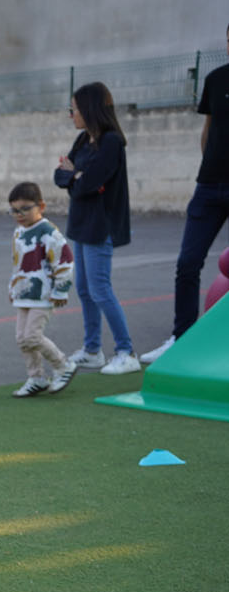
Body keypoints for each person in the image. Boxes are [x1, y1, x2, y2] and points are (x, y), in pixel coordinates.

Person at [142, 23, 229, 364]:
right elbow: (208, 130)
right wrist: (210, 165)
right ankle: (182, 338)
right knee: (187, 264)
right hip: (208, 186)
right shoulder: (216, 79)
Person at [54, 82, 137, 375]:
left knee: (100, 289)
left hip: (100, 225)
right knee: (84, 289)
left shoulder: (111, 142)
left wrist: (77, 176)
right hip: (81, 223)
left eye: (73, 109)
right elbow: (60, 176)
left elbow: (90, 183)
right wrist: (77, 177)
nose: (71, 115)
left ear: (89, 109)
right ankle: (92, 350)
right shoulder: (82, 140)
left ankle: (126, 351)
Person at [5, 181, 78, 397]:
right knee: (22, 338)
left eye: (25, 209)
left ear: (41, 206)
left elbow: (65, 261)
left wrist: (61, 289)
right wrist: (13, 287)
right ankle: (36, 377)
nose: (19, 215)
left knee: (32, 337)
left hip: (44, 294)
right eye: (14, 210)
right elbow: (18, 263)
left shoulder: (48, 232)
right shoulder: (19, 232)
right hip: (24, 293)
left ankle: (63, 365)